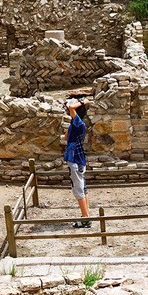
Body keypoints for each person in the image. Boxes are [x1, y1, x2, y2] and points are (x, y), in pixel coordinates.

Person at [63, 98, 91, 228]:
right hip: (79, 159)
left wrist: (83, 101)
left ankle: (85, 219)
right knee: (83, 188)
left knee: (78, 189)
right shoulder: (76, 124)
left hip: (74, 161)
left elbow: (72, 108)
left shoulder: (79, 123)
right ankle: (87, 215)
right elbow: (66, 137)